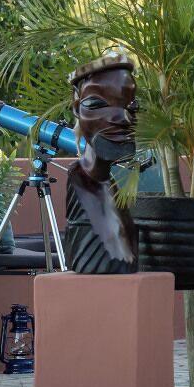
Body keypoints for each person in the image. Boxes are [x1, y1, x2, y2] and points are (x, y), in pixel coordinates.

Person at [61, 51, 139, 274]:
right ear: (78, 109)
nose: (124, 118)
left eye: (132, 106)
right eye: (98, 103)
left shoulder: (111, 186)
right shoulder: (82, 183)